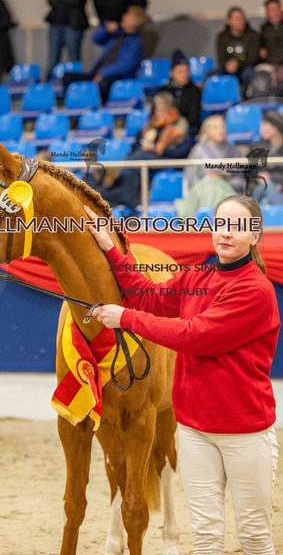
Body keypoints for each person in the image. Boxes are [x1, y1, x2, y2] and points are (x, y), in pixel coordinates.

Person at [85, 195, 280, 555]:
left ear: (255, 236)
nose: (226, 233)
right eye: (220, 224)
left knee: (254, 536)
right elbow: (149, 296)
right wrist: (111, 249)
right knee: (205, 536)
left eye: (238, 226)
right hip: (193, 431)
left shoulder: (255, 290)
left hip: (245, 433)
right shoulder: (198, 277)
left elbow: (195, 336)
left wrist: (125, 318)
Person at [90, 91, 191, 212]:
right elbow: (136, 146)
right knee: (131, 167)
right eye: (158, 109)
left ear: (171, 109)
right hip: (144, 158)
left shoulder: (180, 125)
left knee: (134, 161)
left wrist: (159, 150)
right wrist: (145, 146)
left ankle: (110, 179)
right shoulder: (150, 124)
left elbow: (182, 152)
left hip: (166, 159)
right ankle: (126, 205)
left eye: (164, 109)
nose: (160, 112)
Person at [62, 6, 145, 103]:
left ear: (135, 22)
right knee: (68, 77)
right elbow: (96, 39)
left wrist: (103, 73)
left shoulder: (136, 42)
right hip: (98, 73)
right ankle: (77, 104)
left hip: (116, 77)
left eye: (128, 15)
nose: (124, 16)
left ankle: (97, 105)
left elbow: (126, 65)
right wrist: (106, 30)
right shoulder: (116, 34)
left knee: (103, 83)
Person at [45, 0, 89, 79]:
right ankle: (50, 83)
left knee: (74, 57)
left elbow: (78, 2)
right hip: (56, 23)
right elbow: (51, 0)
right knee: (53, 57)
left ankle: (75, 83)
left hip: (73, 24)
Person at [183, 114, 242, 192]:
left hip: (229, 190)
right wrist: (209, 179)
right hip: (205, 190)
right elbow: (191, 178)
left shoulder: (233, 150)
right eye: (215, 127)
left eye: (222, 127)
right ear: (206, 131)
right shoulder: (199, 150)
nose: (220, 131)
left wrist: (224, 177)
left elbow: (240, 178)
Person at [160, 49, 201, 136]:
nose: (184, 75)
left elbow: (193, 119)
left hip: (187, 129)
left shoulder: (195, 91)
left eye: (186, 71)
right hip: (165, 127)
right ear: (172, 73)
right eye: (180, 72)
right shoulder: (163, 91)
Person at [216, 6, 260, 87]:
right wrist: (227, 65)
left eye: (242, 18)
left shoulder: (253, 35)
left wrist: (237, 64)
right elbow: (221, 59)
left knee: (249, 72)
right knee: (213, 75)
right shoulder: (222, 36)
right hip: (228, 68)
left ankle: (247, 93)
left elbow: (253, 58)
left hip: (245, 67)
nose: (240, 21)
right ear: (229, 21)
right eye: (236, 18)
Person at [251, 110, 283, 204]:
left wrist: (281, 185)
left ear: (275, 127)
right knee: (268, 185)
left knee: (265, 202)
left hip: (279, 190)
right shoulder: (257, 147)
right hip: (260, 187)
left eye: (265, 124)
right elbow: (249, 171)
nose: (261, 128)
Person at [257, 0, 283, 94]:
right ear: (267, 12)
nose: (275, 12)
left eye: (277, 8)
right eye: (272, 9)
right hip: (269, 65)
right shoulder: (263, 29)